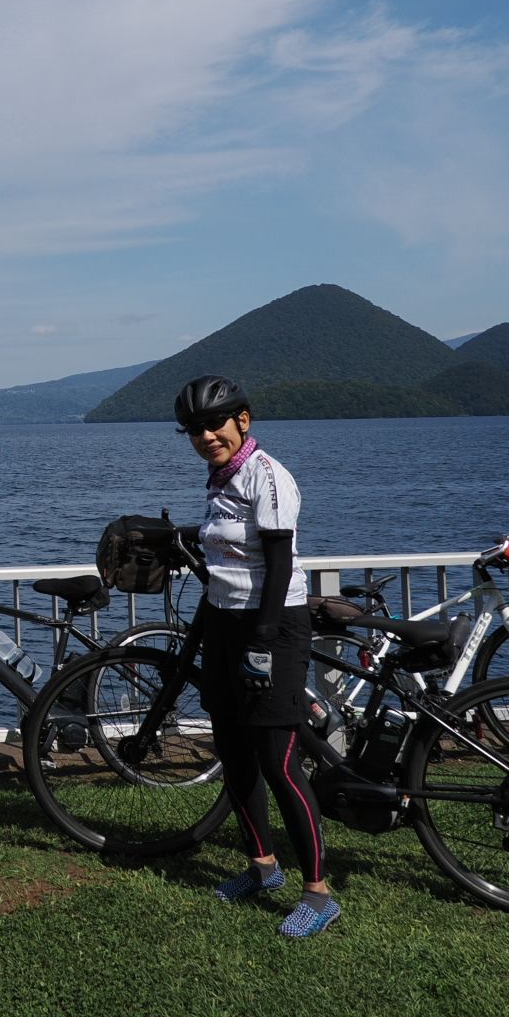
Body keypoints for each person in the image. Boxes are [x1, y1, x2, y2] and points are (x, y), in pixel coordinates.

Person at [175, 375, 335, 938]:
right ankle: (262, 866)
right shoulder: (222, 476)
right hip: (224, 619)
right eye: (194, 429)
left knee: (278, 762)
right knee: (234, 752)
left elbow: (280, 563)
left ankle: (317, 892)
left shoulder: (267, 474)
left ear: (243, 419)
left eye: (214, 423)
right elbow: (225, 543)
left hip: (272, 625)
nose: (205, 435)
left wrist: (264, 638)